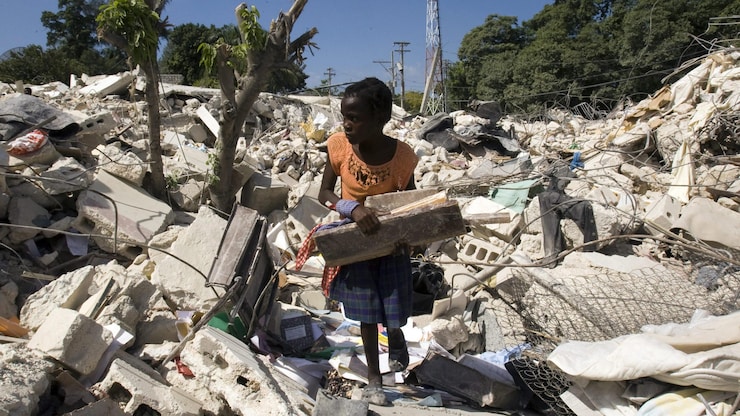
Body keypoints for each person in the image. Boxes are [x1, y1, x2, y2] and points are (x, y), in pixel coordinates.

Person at [318, 77, 418, 406]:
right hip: (356, 241)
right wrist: (352, 208)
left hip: (390, 243)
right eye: (344, 116)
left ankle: (397, 333)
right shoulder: (338, 147)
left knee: (393, 306)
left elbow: (412, 202)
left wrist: (412, 239)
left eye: (355, 118)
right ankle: (375, 379)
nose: (347, 125)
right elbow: (325, 194)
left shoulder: (402, 157)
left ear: (380, 119)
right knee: (366, 313)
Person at [537, 160, 597, 268]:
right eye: (566, 181)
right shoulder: (551, 197)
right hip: (554, 249)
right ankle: (588, 251)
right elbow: (566, 204)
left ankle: (552, 256)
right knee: (585, 206)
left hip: (554, 201)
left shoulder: (548, 195)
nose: (567, 183)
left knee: (584, 206)